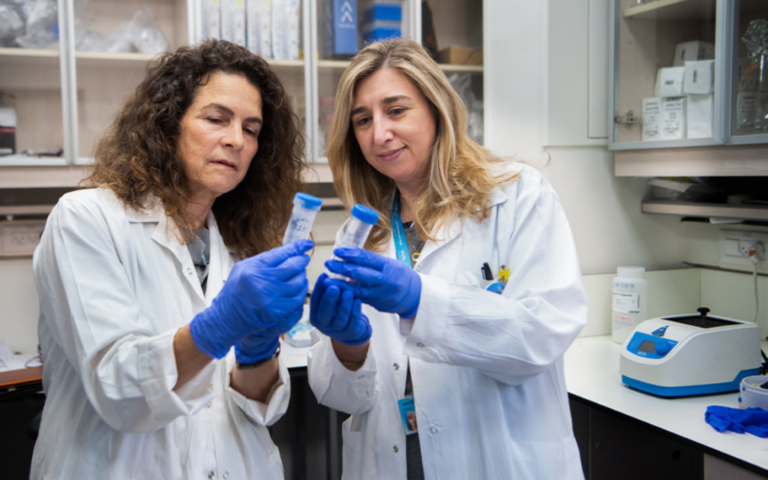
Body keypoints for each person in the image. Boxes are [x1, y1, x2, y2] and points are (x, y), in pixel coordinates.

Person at [307, 38, 588, 479]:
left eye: (396, 110)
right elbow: (344, 397)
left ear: (436, 109)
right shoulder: (361, 233)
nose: (379, 133)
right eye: (363, 120)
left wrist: (420, 300)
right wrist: (348, 347)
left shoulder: (516, 196)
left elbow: (542, 335)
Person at [30, 39, 311, 479]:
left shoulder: (242, 242)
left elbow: (259, 409)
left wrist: (258, 351)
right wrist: (218, 327)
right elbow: (118, 388)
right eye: (217, 118)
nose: (235, 140)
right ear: (168, 123)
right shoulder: (85, 220)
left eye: (252, 129)